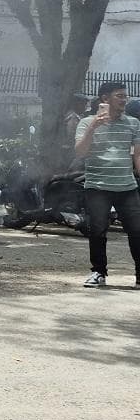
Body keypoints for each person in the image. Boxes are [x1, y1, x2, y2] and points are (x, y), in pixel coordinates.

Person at [75, 81, 140, 289]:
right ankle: (98, 272)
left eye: (125, 96)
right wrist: (94, 126)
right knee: (97, 230)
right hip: (97, 186)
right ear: (105, 98)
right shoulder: (86, 123)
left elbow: (138, 156)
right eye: (119, 96)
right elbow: (81, 152)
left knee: (137, 231)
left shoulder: (133, 123)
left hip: (127, 186)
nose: (124, 100)